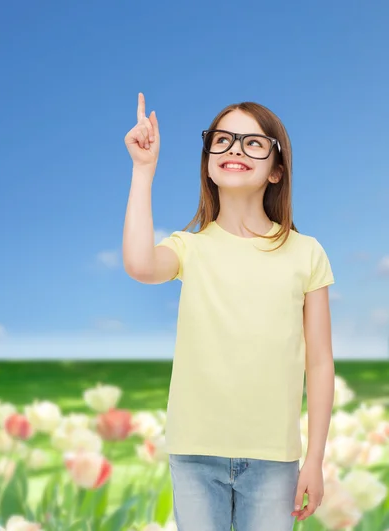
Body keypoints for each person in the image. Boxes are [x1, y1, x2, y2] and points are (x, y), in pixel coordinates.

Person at [122, 93, 335, 531]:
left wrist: (314, 459)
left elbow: (319, 362)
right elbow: (140, 265)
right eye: (222, 140)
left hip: (275, 456)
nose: (234, 149)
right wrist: (143, 171)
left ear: (277, 170)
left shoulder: (306, 253)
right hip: (195, 450)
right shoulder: (190, 248)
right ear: (207, 160)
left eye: (253, 143)